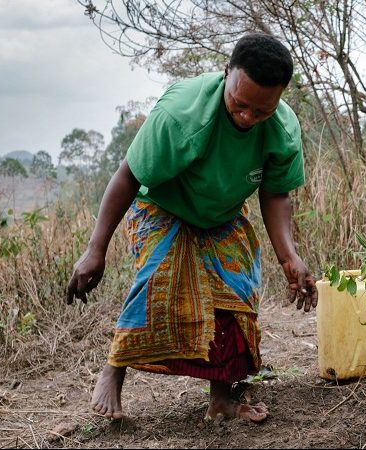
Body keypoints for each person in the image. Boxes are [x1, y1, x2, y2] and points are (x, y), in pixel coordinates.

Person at [65, 33, 318, 423]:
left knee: (235, 293)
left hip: (222, 215)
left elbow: (275, 194)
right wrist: (95, 248)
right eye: (240, 104)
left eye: (261, 111)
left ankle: (221, 397)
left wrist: (289, 256)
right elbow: (128, 176)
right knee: (159, 276)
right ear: (226, 74)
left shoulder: (283, 131)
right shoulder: (180, 115)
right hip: (162, 206)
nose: (247, 118)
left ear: (280, 98)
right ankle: (115, 367)